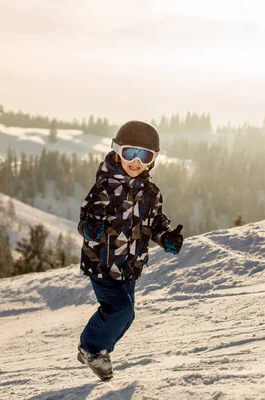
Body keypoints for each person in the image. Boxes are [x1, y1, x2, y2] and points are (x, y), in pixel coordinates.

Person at [76, 120, 184, 381]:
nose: (135, 161)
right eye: (129, 153)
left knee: (127, 316)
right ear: (117, 151)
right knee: (120, 310)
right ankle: (90, 348)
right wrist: (90, 228)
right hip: (102, 263)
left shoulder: (151, 193)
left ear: (152, 160)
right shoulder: (105, 188)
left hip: (130, 266)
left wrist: (165, 236)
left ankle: (99, 350)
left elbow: (155, 222)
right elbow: (86, 217)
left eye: (143, 155)